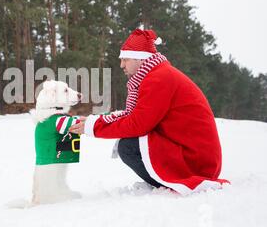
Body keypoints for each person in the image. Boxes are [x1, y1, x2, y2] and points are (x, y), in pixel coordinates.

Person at [69, 28, 229, 195]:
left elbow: (138, 124)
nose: (121, 65)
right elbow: (134, 115)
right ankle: (164, 180)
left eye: (125, 59)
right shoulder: (157, 74)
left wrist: (94, 128)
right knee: (130, 141)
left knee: (128, 146)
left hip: (196, 161)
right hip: (194, 154)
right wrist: (94, 122)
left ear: (140, 59)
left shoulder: (159, 79)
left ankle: (169, 184)